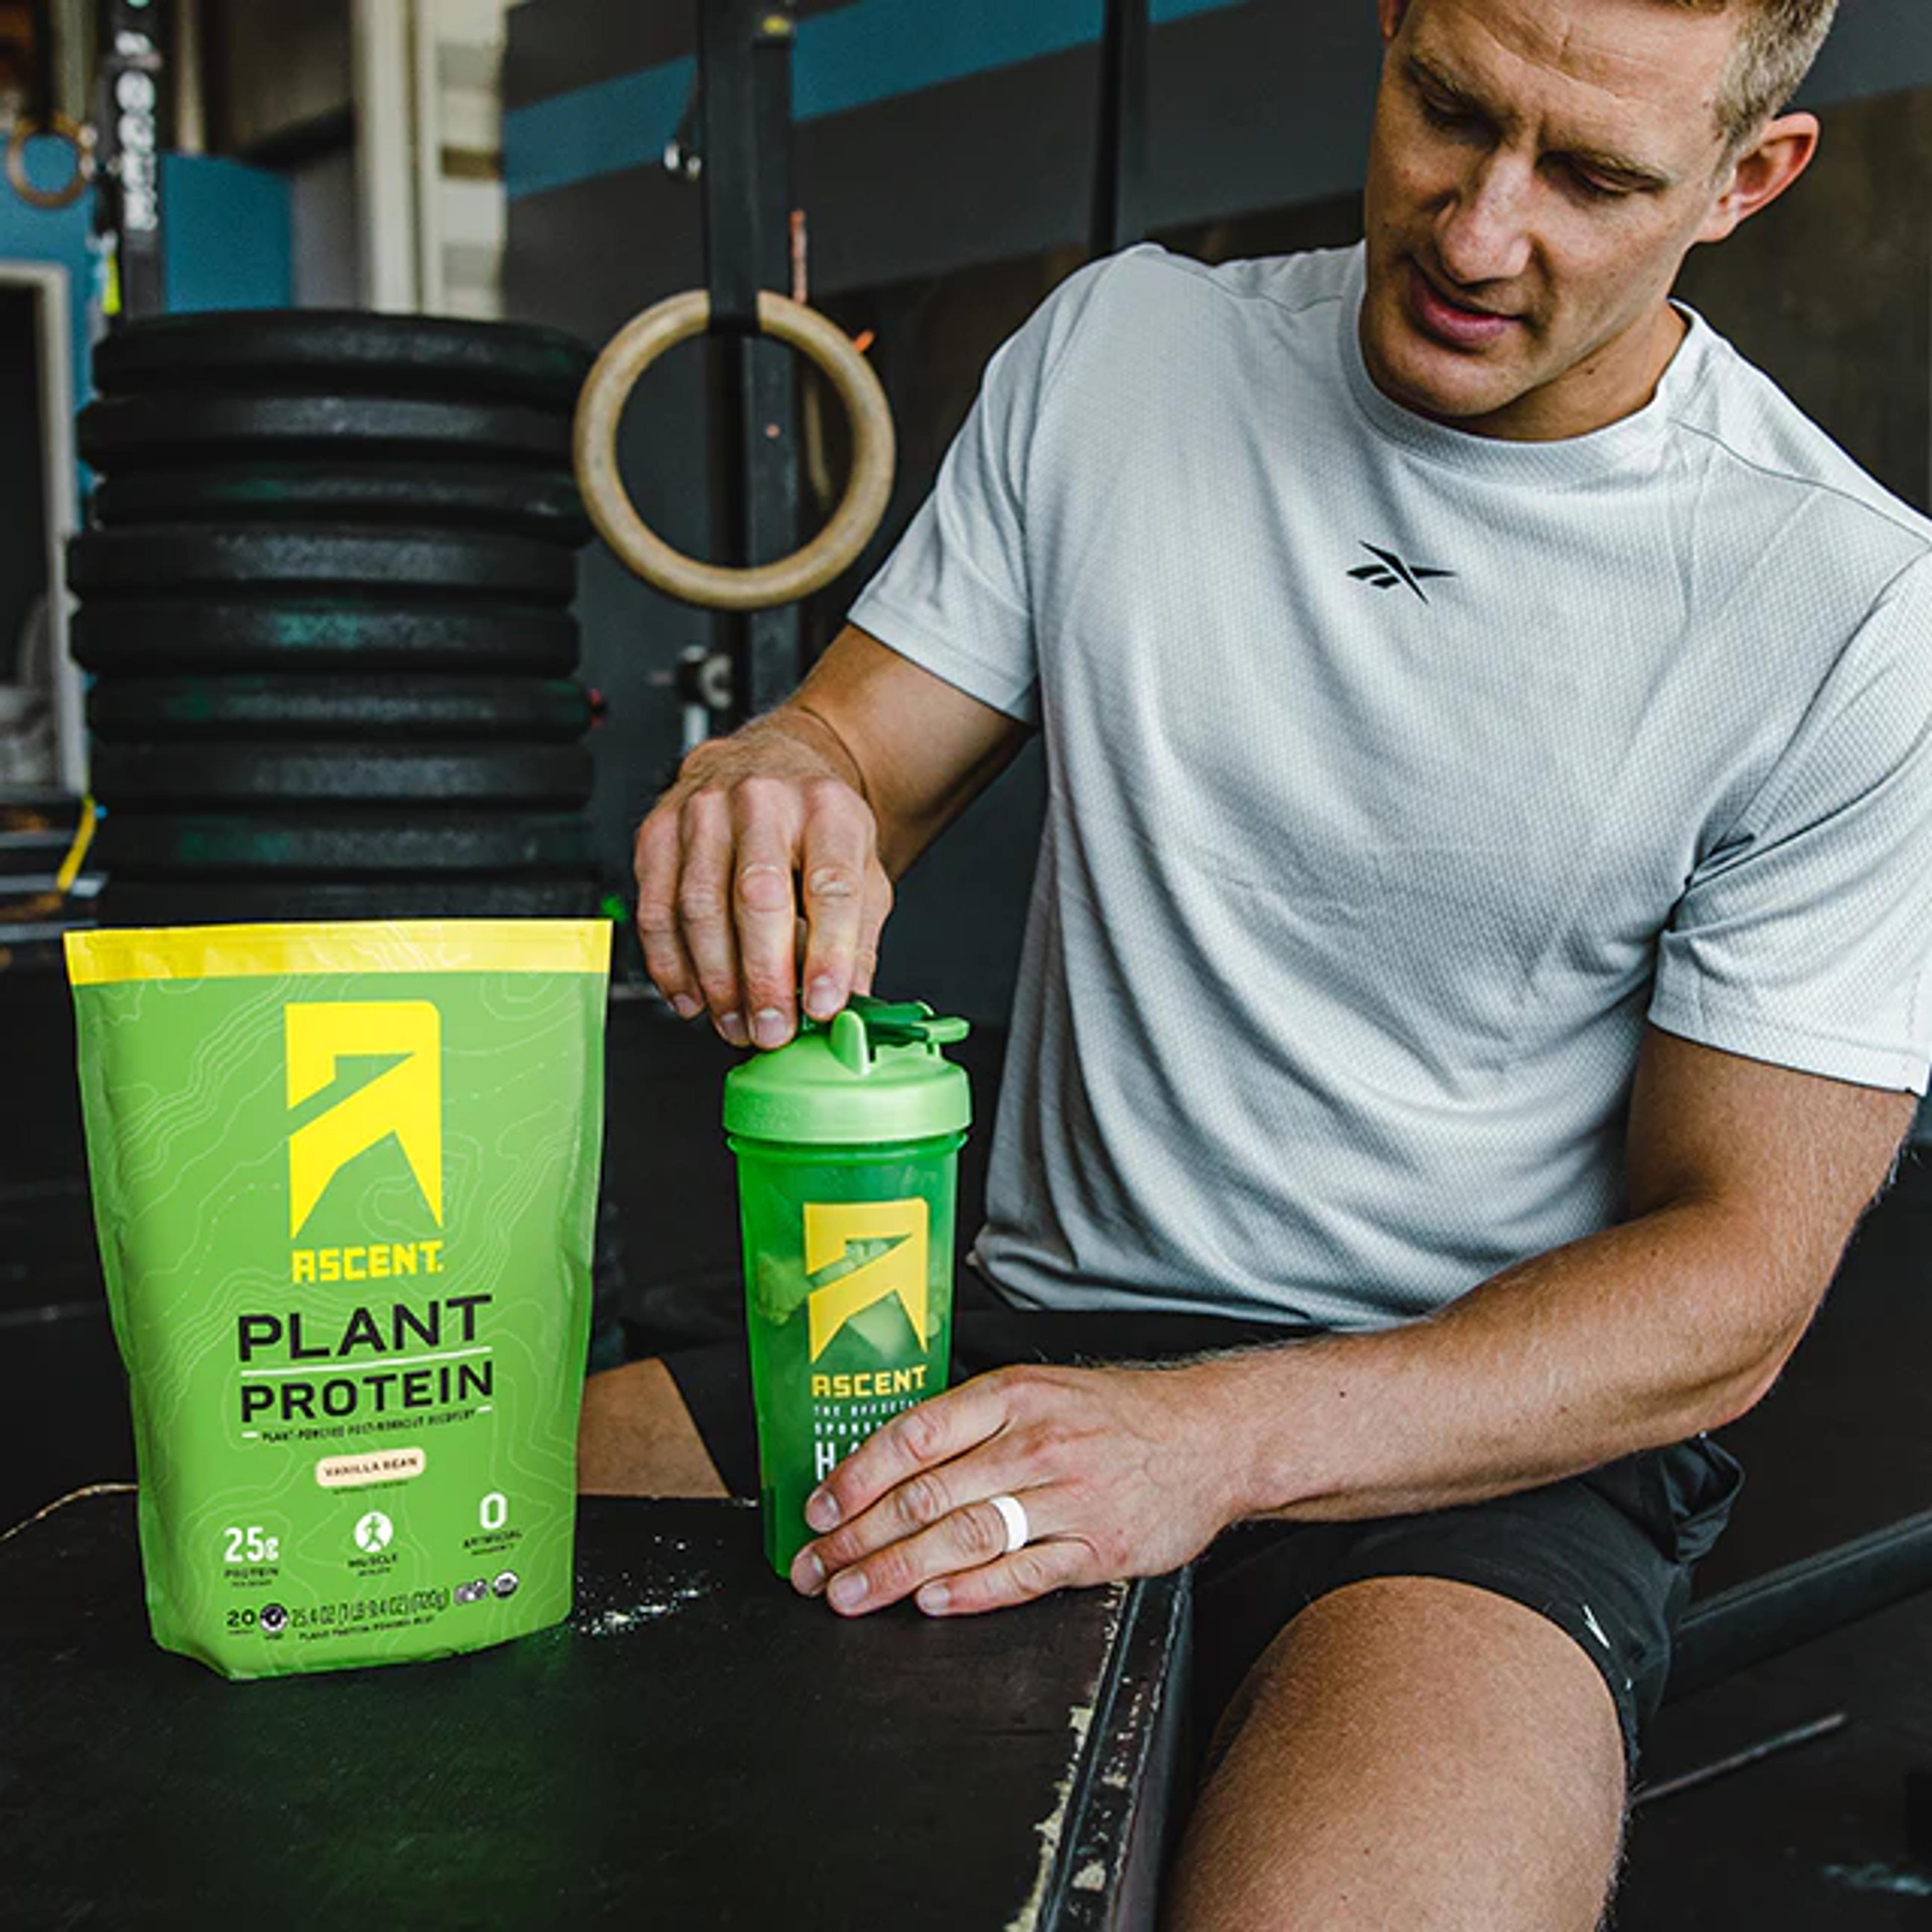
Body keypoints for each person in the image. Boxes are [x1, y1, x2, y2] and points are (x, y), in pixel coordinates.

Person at [580, 0, 1932, 1922]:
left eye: (1596, 177)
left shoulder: (1846, 608)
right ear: (1389, 34)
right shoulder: (1126, 353)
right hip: (1006, 1338)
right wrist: (780, 776)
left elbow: (1731, 1287)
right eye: (1450, 112)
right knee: (406, 1588)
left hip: (1469, 1446)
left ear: (1746, 180)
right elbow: (856, 759)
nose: (1477, 232)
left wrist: (1205, 1443)